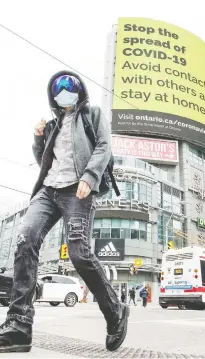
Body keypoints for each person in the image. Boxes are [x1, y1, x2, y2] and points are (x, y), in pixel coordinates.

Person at [0, 71, 129, 353]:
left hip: (78, 189)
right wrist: (38, 138)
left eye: (70, 86)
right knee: (25, 239)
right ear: (53, 96)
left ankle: (115, 310)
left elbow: (104, 147)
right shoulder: (53, 125)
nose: (64, 92)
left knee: (79, 253)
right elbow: (44, 162)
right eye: (58, 89)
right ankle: (19, 326)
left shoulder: (92, 114)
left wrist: (90, 177)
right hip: (49, 189)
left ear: (79, 90)